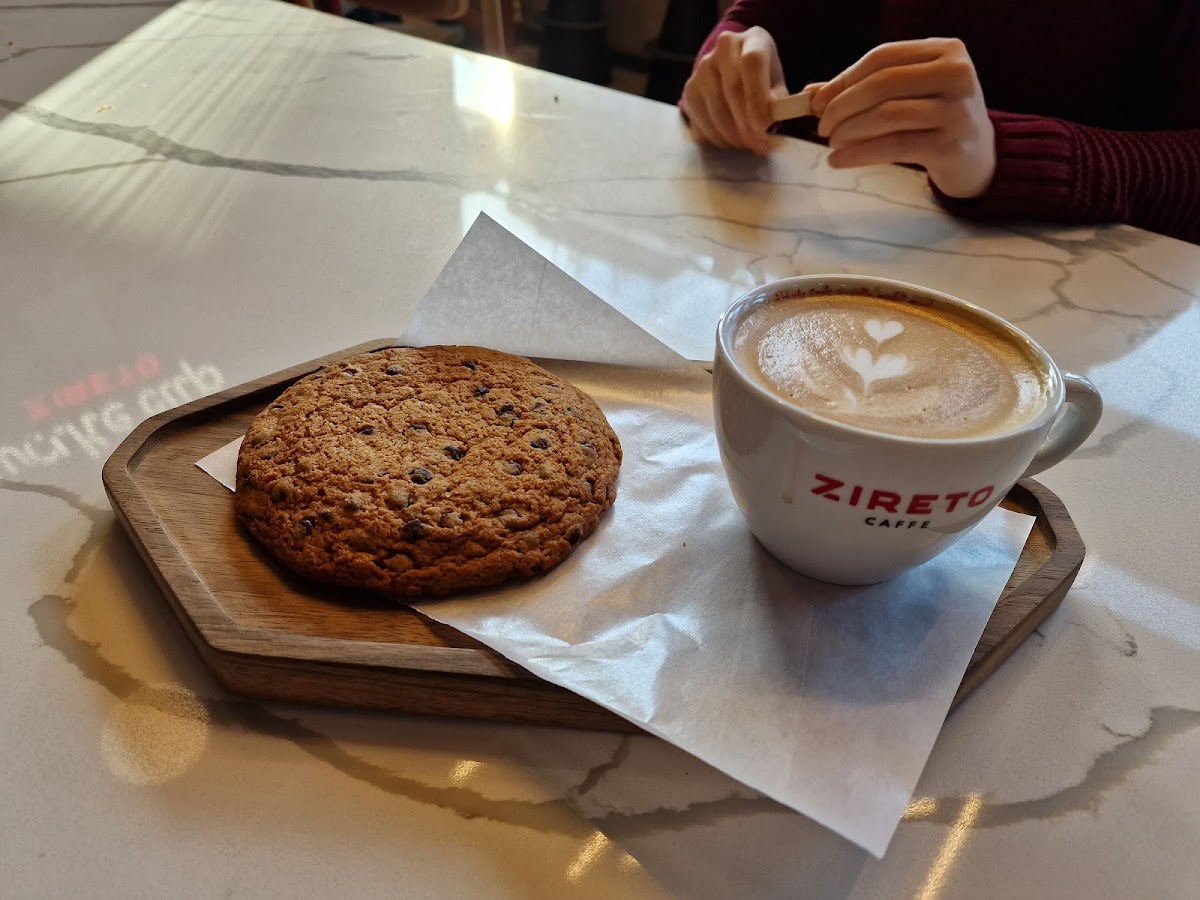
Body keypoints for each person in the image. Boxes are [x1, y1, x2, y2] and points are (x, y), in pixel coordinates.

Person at [681, 0, 1200, 244]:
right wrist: (731, 63)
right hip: (807, 239)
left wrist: (1003, 156)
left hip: (1085, 291)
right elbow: (760, 20)